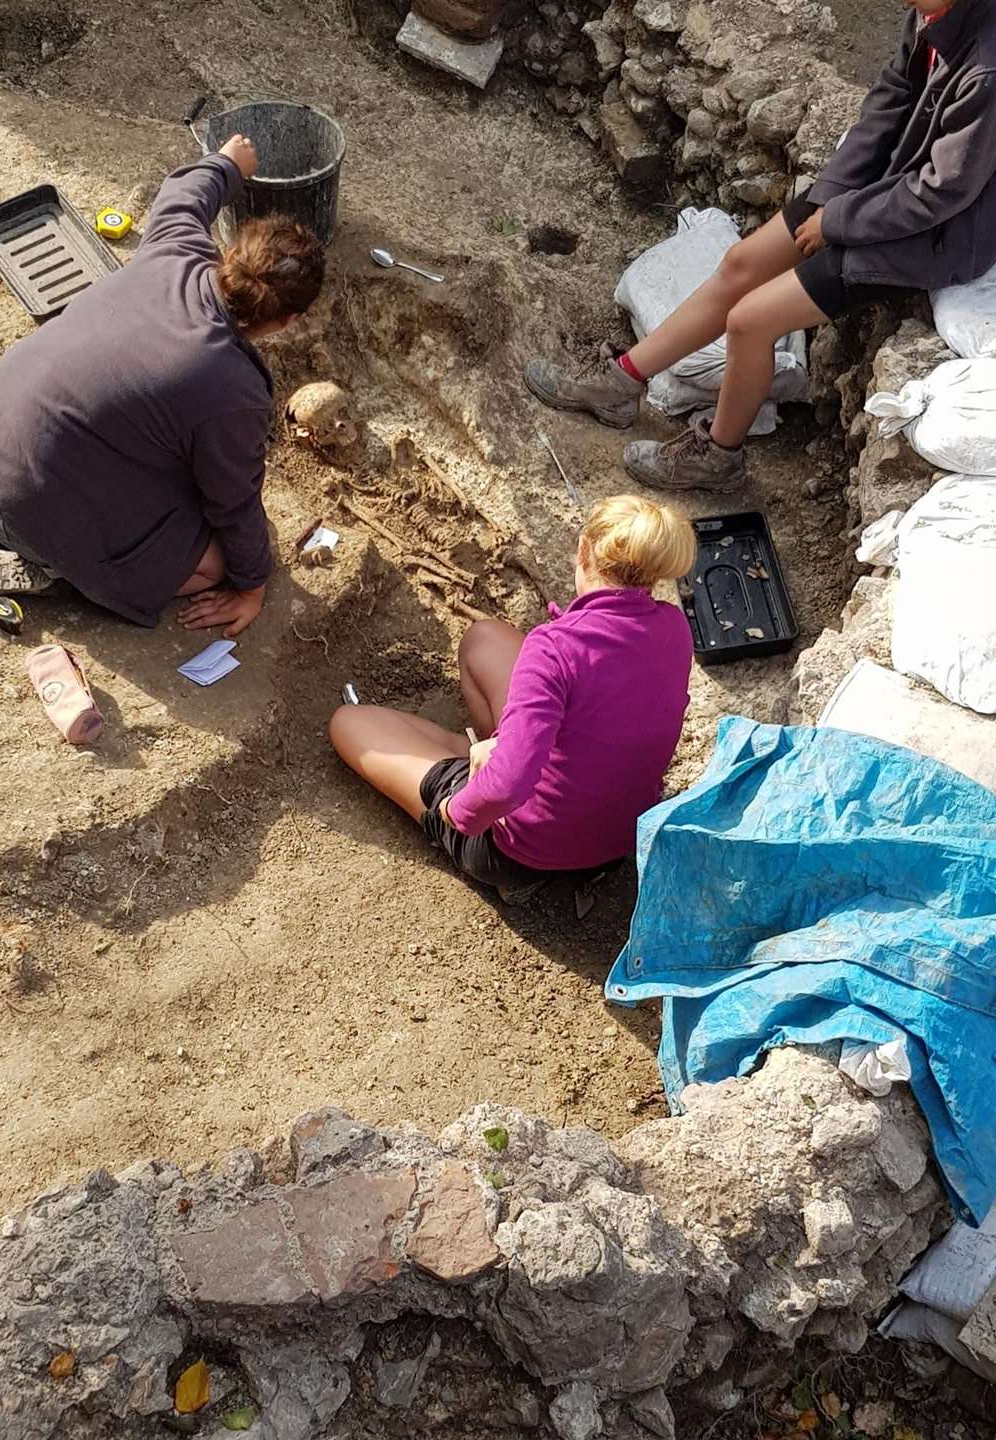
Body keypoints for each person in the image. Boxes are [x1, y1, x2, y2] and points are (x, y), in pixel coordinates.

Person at [525, 0, 996, 493]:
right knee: (740, 263)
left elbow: (940, 193)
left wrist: (835, 222)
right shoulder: (932, 13)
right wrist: (833, 192)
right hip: (877, 192)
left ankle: (718, 457)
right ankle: (621, 382)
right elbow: (889, 100)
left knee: (749, 321)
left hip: (929, 238)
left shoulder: (984, 68)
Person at [0, 136, 325, 636]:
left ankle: (19, 524)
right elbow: (233, 503)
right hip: (27, 508)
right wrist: (253, 586)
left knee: (144, 443)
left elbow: (183, 193)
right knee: (211, 563)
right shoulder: (232, 392)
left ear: (230, 254)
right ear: (289, 319)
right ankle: (52, 567)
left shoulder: (175, 248)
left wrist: (227, 165)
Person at [328, 494, 696, 902]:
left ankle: (486, 815)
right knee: (485, 636)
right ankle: (481, 754)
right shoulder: (674, 628)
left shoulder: (554, 648)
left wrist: (457, 811)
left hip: (520, 849)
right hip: (620, 835)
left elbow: (506, 788)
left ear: (583, 549)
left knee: (349, 722)